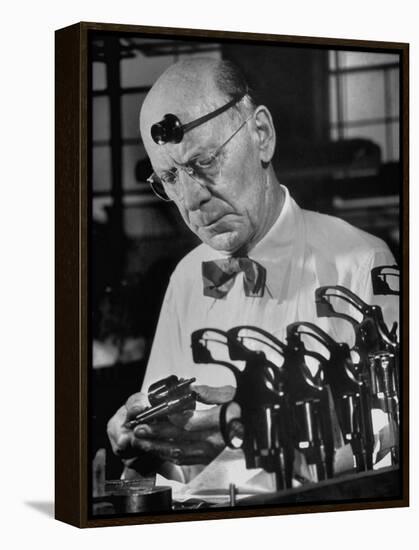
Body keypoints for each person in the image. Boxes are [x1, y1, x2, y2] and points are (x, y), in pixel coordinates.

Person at [107, 58, 398, 491]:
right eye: (169, 177)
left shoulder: (361, 265)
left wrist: (255, 437)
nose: (190, 201)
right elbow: (175, 473)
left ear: (261, 135)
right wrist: (150, 444)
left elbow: (396, 446)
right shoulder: (188, 278)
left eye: (203, 162)